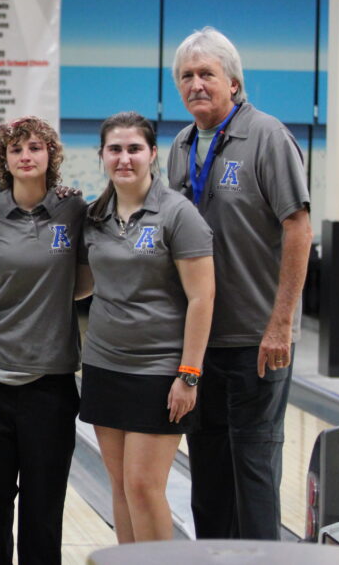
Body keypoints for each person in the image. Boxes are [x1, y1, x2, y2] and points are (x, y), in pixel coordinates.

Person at [166, 27, 312, 540]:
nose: (196, 84)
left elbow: (298, 226)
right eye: (186, 75)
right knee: (208, 473)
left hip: (256, 338)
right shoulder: (182, 146)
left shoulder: (267, 136)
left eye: (207, 74)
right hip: (203, 343)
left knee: (252, 470)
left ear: (234, 81)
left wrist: (280, 324)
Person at [78, 111, 215, 543]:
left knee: (143, 486)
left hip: (158, 370)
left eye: (134, 148)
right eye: (115, 149)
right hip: (103, 364)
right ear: (101, 155)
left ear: (153, 154)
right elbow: (83, 286)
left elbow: (202, 297)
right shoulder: (94, 215)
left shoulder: (178, 214)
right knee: (119, 486)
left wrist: (189, 374)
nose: (124, 158)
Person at [0, 116, 86, 564]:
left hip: (49, 385)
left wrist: (50, 299)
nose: (26, 156)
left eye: (35, 147)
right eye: (16, 150)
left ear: (50, 155)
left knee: (44, 510)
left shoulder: (74, 210)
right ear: (5, 160)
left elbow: (86, 278)